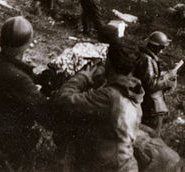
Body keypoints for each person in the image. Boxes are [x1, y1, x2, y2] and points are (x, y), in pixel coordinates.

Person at [54, 39, 145, 172]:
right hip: (125, 164)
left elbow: (63, 100)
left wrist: (84, 76)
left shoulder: (109, 96)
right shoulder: (133, 90)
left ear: (108, 62)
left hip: (107, 166)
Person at [0, 16, 51, 171]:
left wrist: (39, 79)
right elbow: (46, 115)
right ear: (26, 45)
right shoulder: (17, 78)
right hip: (10, 145)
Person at [135, 31, 177, 136]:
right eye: (161, 48)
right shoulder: (148, 60)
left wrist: (164, 75)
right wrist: (167, 81)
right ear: (155, 47)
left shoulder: (144, 55)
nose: (162, 51)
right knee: (151, 132)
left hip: (148, 101)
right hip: (150, 103)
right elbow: (150, 85)